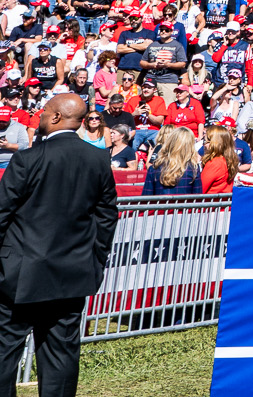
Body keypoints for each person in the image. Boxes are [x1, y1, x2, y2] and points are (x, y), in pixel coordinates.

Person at [0, 92, 120, 397]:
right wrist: (94, 262)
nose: (39, 117)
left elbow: (2, 213)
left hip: (19, 275)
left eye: (43, 112)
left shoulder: (28, 158)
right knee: (61, 355)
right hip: (71, 273)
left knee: (4, 351)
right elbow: (106, 218)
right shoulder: (97, 158)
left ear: (56, 117)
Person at [142, 126, 202, 195]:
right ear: (190, 146)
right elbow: (198, 197)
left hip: (161, 202)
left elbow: (146, 197)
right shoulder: (194, 169)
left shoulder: (154, 168)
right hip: (184, 202)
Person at [200, 125, 237, 194]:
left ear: (215, 143)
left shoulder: (215, 163)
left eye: (206, 141)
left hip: (211, 200)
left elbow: (200, 189)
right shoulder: (228, 160)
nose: (204, 145)